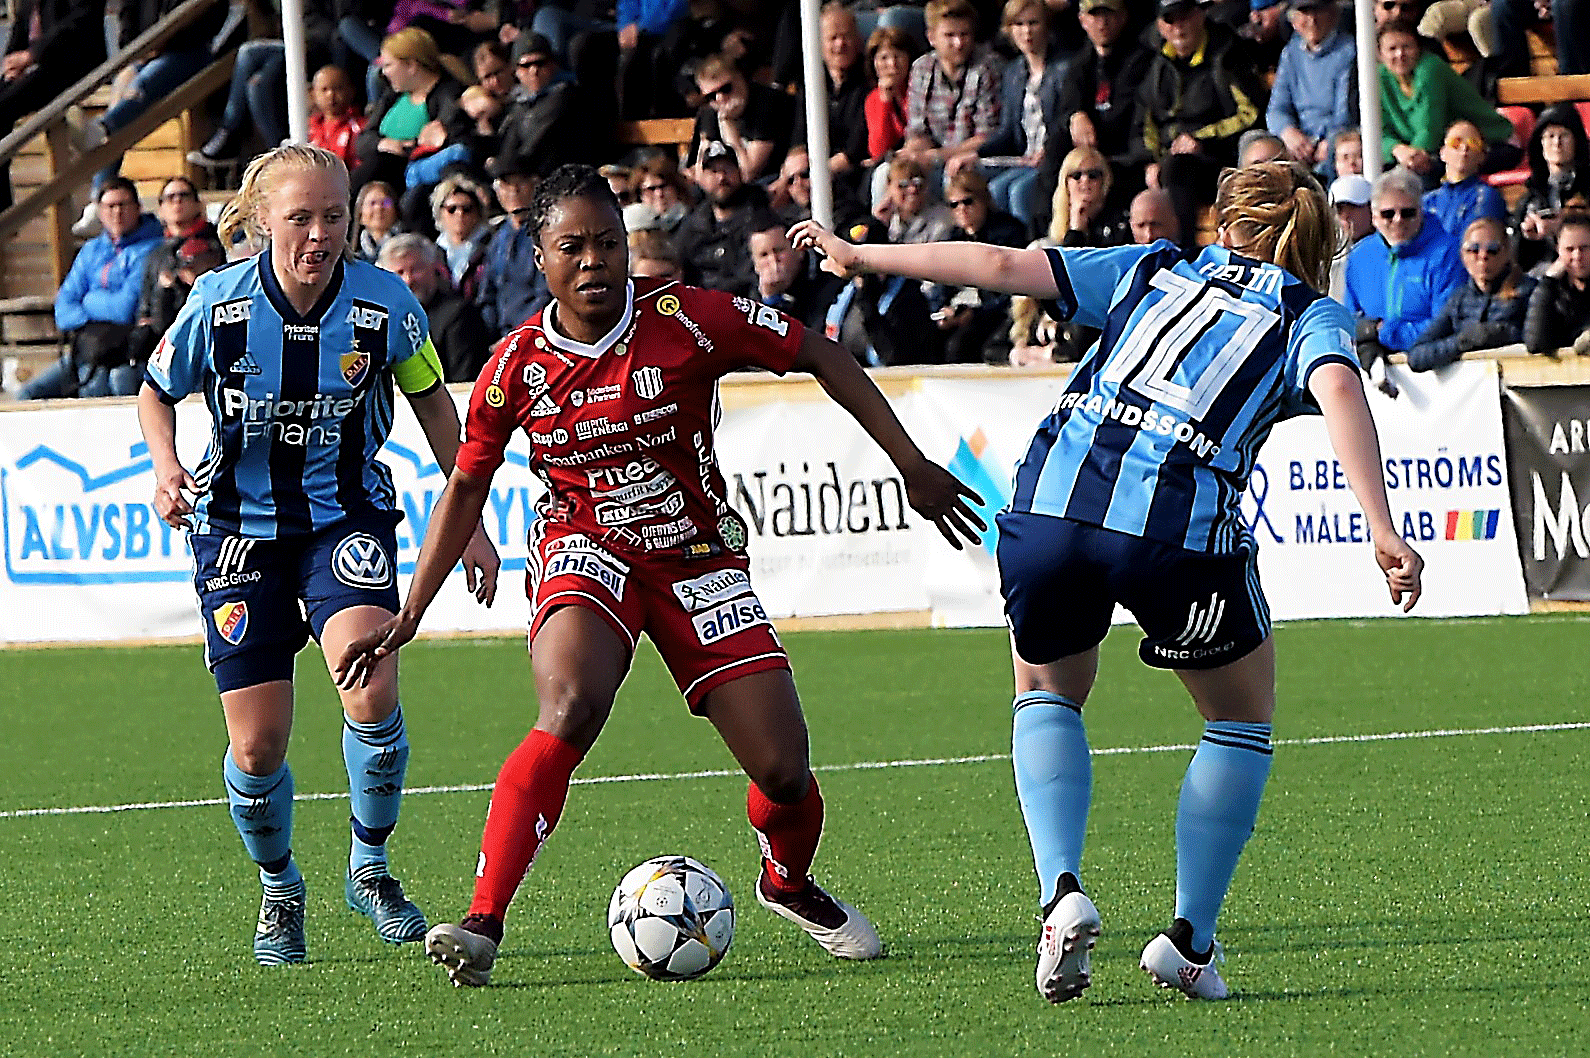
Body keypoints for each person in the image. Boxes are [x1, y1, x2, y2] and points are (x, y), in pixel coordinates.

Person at [333, 163, 984, 988]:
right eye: (573, 246)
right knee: (569, 705)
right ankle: (483, 921)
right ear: (539, 256)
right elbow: (466, 485)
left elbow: (820, 352)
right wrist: (411, 612)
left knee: (784, 770)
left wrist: (911, 464)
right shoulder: (515, 365)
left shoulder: (690, 319)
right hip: (585, 550)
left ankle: (786, 882)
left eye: (608, 243)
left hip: (696, 561)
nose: (594, 261)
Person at [789, 159, 1424, 1003]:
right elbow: (1339, 385)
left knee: (1046, 692)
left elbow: (1000, 264)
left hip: (1052, 507)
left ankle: (1061, 891)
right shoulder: (1307, 312)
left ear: (1225, 223)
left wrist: (861, 255)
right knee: (1238, 717)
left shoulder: (1152, 265)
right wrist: (1381, 525)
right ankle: (1189, 941)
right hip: (1173, 533)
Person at [137, 144, 500, 967]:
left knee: (369, 686)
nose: (319, 233)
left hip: (345, 517)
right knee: (257, 747)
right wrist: (165, 468)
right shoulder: (218, 304)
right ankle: (280, 887)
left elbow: (434, 403)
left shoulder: (386, 304)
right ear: (262, 219)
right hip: (236, 530)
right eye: (300, 217)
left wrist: (470, 517)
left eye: (333, 216)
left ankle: (370, 868)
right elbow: (156, 392)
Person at [19, 178, 162, 400]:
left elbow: (124, 309)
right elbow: (63, 310)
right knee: (27, 394)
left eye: (123, 205)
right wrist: (92, 314)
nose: (117, 213)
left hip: (126, 350)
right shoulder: (91, 250)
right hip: (88, 347)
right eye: (110, 206)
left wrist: (87, 300)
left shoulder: (152, 249)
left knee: (96, 388)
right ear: (100, 212)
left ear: (138, 208)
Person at [1139, 0, 1263, 245]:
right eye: (1170, 20)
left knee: (1179, 168)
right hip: (1167, 160)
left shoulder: (1228, 55)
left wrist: (1201, 140)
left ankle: (1183, 250)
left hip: (1220, 159)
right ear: (1160, 26)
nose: (1178, 27)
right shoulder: (1155, 64)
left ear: (1199, 15)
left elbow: (1251, 115)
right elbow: (1144, 122)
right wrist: (1150, 161)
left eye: (1184, 16)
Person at [1035, 0, 1153, 236]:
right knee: (1055, 148)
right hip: (1087, 155)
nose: (1102, 23)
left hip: (1125, 156)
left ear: (1123, 17)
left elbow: (1131, 119)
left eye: (1108, 15)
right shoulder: (1080, 63)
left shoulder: (1141, 60)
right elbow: (1064, 110)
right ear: (1082, 20)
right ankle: (1042, 236)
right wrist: (1074, 116)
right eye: (1094, 16)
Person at [1343, 167, 1465, 362]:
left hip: (1435, 367)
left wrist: (1383, 333)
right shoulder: (1359, 257)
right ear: (1374, 217)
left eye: (1408, 213)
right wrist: (1365, 337)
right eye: (1388, 214)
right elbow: (1349, 320)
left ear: (1421, 212)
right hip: (1374, 367)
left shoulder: (1447, 253)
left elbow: (1445, 324)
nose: (1398, 220)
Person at [1375, 19, 1512, 181]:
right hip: (1434, 150)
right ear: (1380, 54)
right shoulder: (1380, 77)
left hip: (1488, 143)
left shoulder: (1430, 69)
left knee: (1421, 175)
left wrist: (1410, 159)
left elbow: (1430, 130)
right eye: (1392, 49)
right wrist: (1397, 149)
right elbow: (1379, 131)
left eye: (1407, 47)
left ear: (1418, 48)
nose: (1400, 54)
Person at [978, 0, 1069, 238]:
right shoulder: (1013, 72)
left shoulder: (1065, 69)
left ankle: (1025, 247)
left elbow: (1064, 123)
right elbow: (1008, 132)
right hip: (1023, 158)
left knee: (1014, 191)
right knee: (970, 176)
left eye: (1033, 23)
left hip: (1051, 159)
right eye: (1018, 24)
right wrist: (975, 153)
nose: (1026, 31)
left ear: (1046, 26)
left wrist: (1047, 150)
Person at [1407, 216, 1536, 369]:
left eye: (1492, 250)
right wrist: (1463, 341)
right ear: (1463, 255)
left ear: (1507, 252)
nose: (1483, 256)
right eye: (1473, 249)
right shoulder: (1459, 299)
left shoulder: (1528, 291)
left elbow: (1539, 341)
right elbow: (1416, 356)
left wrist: (1505, 334)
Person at [379, 233, 493, 382]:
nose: (408, 280)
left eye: (416, 270)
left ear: (434, 268)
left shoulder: (459, 315)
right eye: (400, 272)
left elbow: (465, 381)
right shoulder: (380, 320)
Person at [1265, 0, 1355, 175]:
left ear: (1334, 14)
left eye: (1318, 11)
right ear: (1293, 20)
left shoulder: (1348, 51)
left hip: (1334, 140)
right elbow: (1276, 108)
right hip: (1299, 141)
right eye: (1305, 13)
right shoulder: (1290, 53)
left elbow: (1344, 114)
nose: (1312, 20)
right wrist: (1288, 132)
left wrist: (1329, 141)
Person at [672, 140, 769, 295]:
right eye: (714, 171)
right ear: (702, 178)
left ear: (739, 173)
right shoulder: (691, 225)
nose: (722, 178)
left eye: (727, 169)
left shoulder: (760, 219)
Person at [1511, 105, 1590, 275]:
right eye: (1550, 136)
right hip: (1540, 275)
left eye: (1564, 135)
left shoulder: (1587, 188)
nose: (1557, 143)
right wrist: (1526, 236)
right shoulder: (1531, 197)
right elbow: (1517, 260)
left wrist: (1561, 227)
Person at [476, 162, 551, 338]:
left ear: (536, 185)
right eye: (506, 185)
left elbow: (545, 294)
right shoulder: (497, 239)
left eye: (520, 183)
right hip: (501, 337)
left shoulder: (546, 232)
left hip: (535, 333)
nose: (513, 191)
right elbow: (487, 295)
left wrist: (517, 336)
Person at [1423, 119, 1507, 238]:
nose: (1464, 147)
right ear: (1442, 153)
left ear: (1482, 156)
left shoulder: (1486, 196)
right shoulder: (1427, 201)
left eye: (1473, 143)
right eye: (1456, 142)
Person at [1523, 212, 1590, 355]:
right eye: (1569, 249)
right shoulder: (1553, 290)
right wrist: (1548, 282)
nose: (1577, 256)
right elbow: (1535, 344)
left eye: (1584, 248)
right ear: (1558, 250)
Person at [432, 174, 492, 298]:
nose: (460, 214)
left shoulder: (492, 246)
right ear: (440, 212)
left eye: (467, 209)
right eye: (452, 209)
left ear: (478, 213)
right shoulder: (432, 254)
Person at [309, 65, 368, 171]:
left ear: (351, 91)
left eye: (338, 88)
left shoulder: (361, 127)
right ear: (313, 94)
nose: (331, 94)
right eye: (324, 89)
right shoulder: (308, 128)